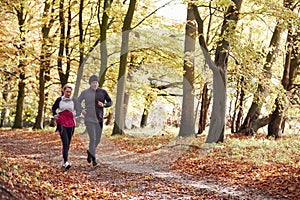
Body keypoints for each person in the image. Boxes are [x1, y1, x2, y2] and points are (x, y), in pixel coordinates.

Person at [78, 75, 113, 167]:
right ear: (90, 84)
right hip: (89, 119)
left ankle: (90, 151)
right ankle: (94, 160)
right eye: (93, 83)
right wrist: (81, 110)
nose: (95, 84)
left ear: (98, 83)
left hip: (99, 119)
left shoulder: (103, 92)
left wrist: (104, 105)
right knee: (92, 139)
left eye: (96, 83)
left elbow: (110, 102)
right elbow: (77, 102)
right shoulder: (85, 93)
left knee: (97, 139)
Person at [52, 84, 82, 169]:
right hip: (62, 123)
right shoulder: (59, 100)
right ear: (64, 91)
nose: (68, 93)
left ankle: (64, 160)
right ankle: (66, 162)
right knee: (65, 142)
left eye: (70, 92)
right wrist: (55, 116)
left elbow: (79, 109)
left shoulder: (74, 100)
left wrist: (74, 114)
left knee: (68, 143)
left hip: (71, 123)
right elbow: (53, 108)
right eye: (67, 91)